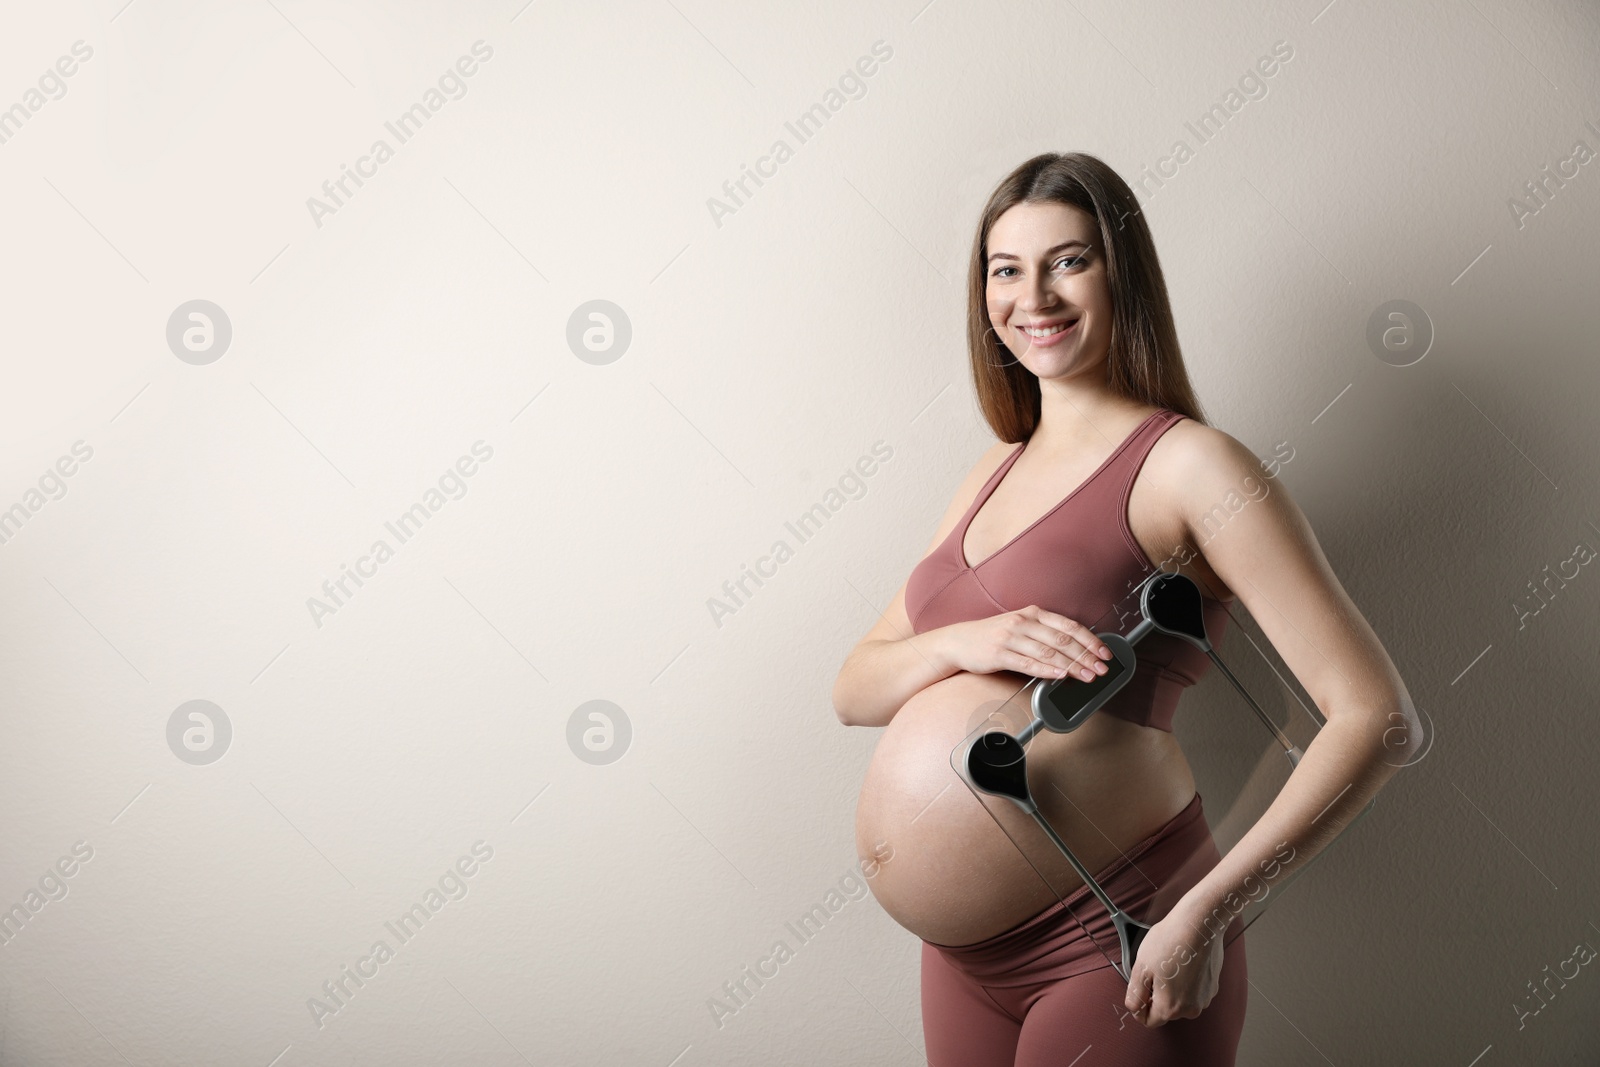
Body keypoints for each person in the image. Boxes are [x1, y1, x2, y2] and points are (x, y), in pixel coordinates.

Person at [833, 152, 1419, 1066]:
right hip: (960, 962)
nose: (1033, 296)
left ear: (1123, 276)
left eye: (1068, 261)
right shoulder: (991, 470)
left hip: (1121, 938)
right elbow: (855, 688)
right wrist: (968, 640)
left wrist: (1206, 910)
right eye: (1005, 269)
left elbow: (1377, 718)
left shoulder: (1192, 467)